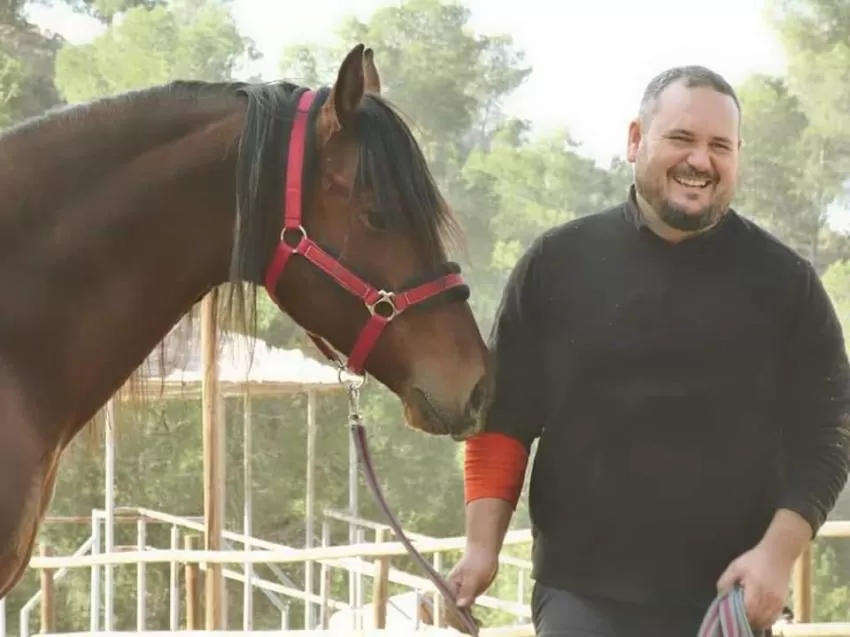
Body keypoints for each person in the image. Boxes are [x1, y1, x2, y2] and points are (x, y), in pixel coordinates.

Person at [447, 65, 850, 637]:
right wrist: (480, 548)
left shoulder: (787, 284)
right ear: (636, 139)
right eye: (682, 138)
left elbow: (828, 438)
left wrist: (777, 556)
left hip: (729, 594)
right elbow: (504, 419)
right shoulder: (556, 263)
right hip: (580, 596)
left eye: (720, 146)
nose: (701, 161)